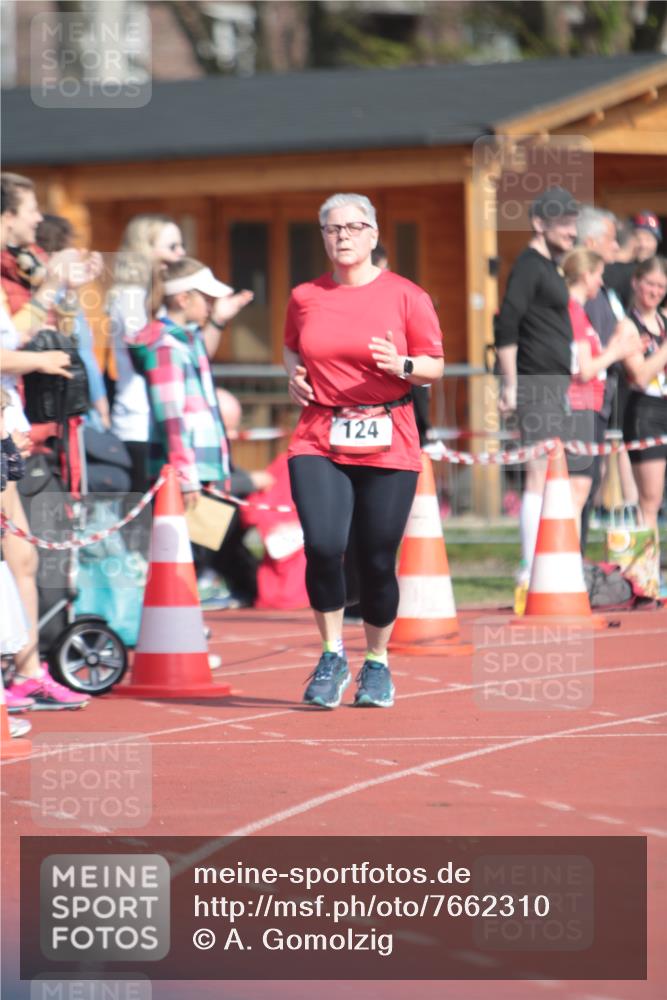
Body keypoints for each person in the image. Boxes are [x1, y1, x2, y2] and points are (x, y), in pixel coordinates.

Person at [284, 192, 444, 709]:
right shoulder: (305, 295)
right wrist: (293, 375)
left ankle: (377, 662)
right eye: (333, 229)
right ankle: (332, 653)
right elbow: (292, 343)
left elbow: (434, 366)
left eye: (354, 227)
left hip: (388, 434)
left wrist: (400, 364)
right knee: (323, 545)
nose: (343, 237)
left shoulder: (407, 296)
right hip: (319, 434)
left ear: (373, 235)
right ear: (324, 237)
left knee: (376, 559)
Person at [0, 172, 89, 709]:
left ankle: (27, 669)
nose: (38, 220)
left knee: (23, 556)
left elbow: (18, 332)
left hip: (10, 426)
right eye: (30, 211)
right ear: (6, 214)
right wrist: (41, 361)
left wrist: (56, 289)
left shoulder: (14, 275)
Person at [495, 186, 579, 591]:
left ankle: (539, 565)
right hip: (534, 380)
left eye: (574, 222)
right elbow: (507, 321)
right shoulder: (529, 265)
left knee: (547, 475)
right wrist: (510, 384)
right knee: (537, 475)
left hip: (552, 381)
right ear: (539, 223)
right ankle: (529, 569)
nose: (571, 231)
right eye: (563, 223)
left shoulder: (550, 266)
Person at [561, 248, 638, 536]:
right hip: (579, 406)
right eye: (597, 276)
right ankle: (562, 563)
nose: (600, 283)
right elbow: (584, 369)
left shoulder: (579, 311)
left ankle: (574, 560)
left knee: (587, 486)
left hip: (590, 406)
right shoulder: (572, 310)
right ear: (584, 275)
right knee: (578, 489)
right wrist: (616, 351)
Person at [35, 214, 110, 429]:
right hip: (68, 403)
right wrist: (101, 406)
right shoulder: (58, 291)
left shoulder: (39, 288)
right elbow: (82, 353)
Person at [622, 257, 667, 534]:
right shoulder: (628, 326)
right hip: (644, 411)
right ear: (636, 283)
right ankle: (646, 572)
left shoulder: (663, 320)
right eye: (650, 284)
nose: (655, 291)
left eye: (661, 286)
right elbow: (638, 375)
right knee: (650, 500)